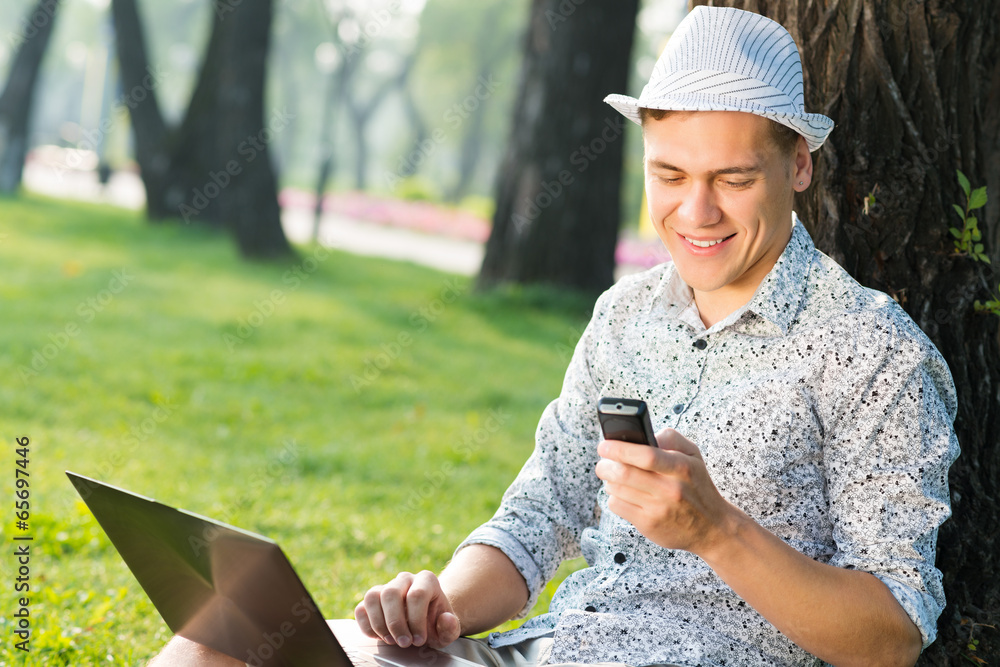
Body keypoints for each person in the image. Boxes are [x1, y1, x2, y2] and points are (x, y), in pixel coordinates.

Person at [150, 6, 959, 667]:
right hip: (548, 647)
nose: (696, 212)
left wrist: (719, 531)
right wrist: (442, 606)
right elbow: (541, 512)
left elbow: (891, 635)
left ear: (801, 165)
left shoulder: (875, 351)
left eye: (734, 179)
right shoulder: (626, 316)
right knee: (214, 641)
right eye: (669, 175)